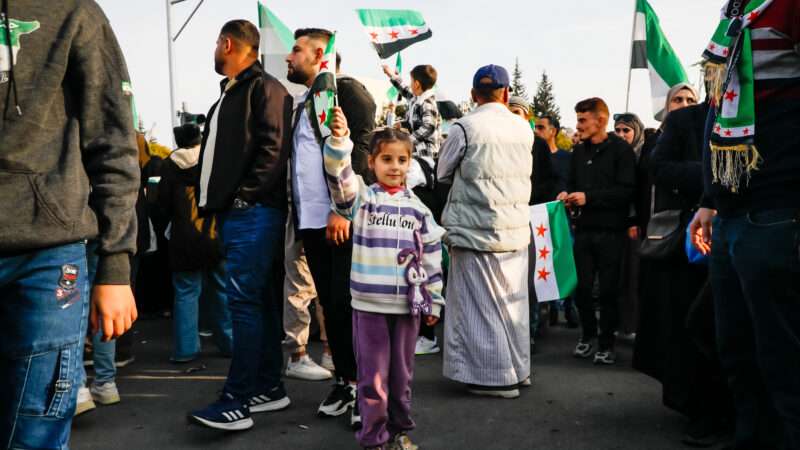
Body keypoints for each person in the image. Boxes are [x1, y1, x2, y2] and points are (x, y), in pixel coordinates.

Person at [0, 1, 139, 447]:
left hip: (46, 257)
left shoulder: (74, 10)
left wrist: (115, 266)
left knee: (35, 433)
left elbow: (113, 139)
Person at [690, 1, 800, 448]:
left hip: (778, 207)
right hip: (733, 212)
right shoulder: (737, 10)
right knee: (736, 349)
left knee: (783, 356)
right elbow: (720, 113)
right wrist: (709, 200)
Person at [189, 20, 293, 431]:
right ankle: (268, 386)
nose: (215, 49)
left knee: (245, 305)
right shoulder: (234, 94)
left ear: (228, 44)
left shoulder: (263, 88)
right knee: (259, 304)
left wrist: (244, 196)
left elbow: (273, 147)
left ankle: (237, 400)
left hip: (252, 213)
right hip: (242, 214)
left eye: (217, 43)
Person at [323, 107, 445, 450]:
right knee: (373, 380)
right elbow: (339, 177)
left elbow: (432, 255)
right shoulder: (362, 200)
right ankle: (374, 440)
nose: (395, 167)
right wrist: (339, 142)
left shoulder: (420, 210)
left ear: (410, 164)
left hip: (408, 309)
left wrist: (433, 298)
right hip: (368, 306)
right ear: (373, 163)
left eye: (402, 160)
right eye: (387, 159)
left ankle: (398, 431)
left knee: (401, 378)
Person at [286, 28, 376, 427]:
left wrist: (344, 208)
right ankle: (345, 380)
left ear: (320, 54)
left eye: (296, 49)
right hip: (311, 223)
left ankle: (365, 389)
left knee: (346, 305)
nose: (289, 57)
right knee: (331, 307)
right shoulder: (306, 99)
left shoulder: (347, 92)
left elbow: (364, 150)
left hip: (341, 220)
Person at [439, 65, 533, 398]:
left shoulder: (464, 127)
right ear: (506, 93)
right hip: (515, 229)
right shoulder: (524, 129)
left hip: (475, 229)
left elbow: (443, 170)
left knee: (478, 307)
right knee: (513, 304)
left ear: (473, 94)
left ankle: (494, 378)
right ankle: (518, 370)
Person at [557, 98, 635, 365]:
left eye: (582, 120)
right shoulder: (579, 152)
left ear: (600, 120)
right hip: (584, 230)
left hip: (612, 232)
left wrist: (588, 197)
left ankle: (607, 343)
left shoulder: (621, 151)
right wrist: (567, 194)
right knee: (583, 287)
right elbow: (571, 182)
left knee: (608, 291)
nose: (577, 126)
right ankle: (587, 335)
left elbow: (626, 191)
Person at [158, 124, 232, 363]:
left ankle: (185, 349)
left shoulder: (169, 164)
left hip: (183, 237)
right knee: (221, 290)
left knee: (186, 292)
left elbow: (163, 202)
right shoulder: (212, 159)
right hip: (213, 235)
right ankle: (229, 343)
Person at [509, 96, 560, 351]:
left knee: (530, 278)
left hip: (531, 214)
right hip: (505, 216)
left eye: (518, 112)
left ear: (526, 116)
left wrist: (531, 198)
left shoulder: (538, 145)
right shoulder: (500, 141)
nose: (514, 115)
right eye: (510, 111)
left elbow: (549, 180)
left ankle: (530, 329)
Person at [533, 113, 579, 328]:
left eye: (541, 127)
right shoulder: (532, 156)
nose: (537, 131)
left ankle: (568, 308)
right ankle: (543, 315)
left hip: (560, 219)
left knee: (562, 263)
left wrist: (565, 193)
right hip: (537, 219)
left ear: (554, 131)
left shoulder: (567, 158)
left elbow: (572, 181)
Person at [612, 112, 647, 337]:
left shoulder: (643, 155)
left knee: (634, 278)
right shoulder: (613, 155)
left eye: (626, 130)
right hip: (614, 224)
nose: (622, 135)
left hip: (636, 226)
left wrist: (634, 220)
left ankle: (633, 325)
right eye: (618, 130)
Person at [381, 63, 442, 163]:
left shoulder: (427, 103)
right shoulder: (416, 98)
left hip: (426, 154)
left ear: (417, 84)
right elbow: (404, 89)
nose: (410, 84)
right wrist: (390, 74)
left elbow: (428, 127)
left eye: (411, 81)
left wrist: (407, 141)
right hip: (417, 150)